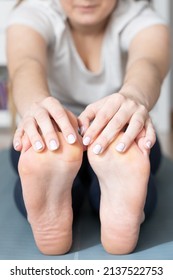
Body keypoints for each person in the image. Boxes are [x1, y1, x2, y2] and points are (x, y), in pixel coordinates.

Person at [6, 0, 170, 255]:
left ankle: (105, 185)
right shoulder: (32, 15)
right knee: (39, 147)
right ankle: (100, 191)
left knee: (132, 149)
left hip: (116, 131)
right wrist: (36, 108)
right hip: (55, 132)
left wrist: (134, 97)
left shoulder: (141, 19)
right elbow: (26, 65)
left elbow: (149, 62)